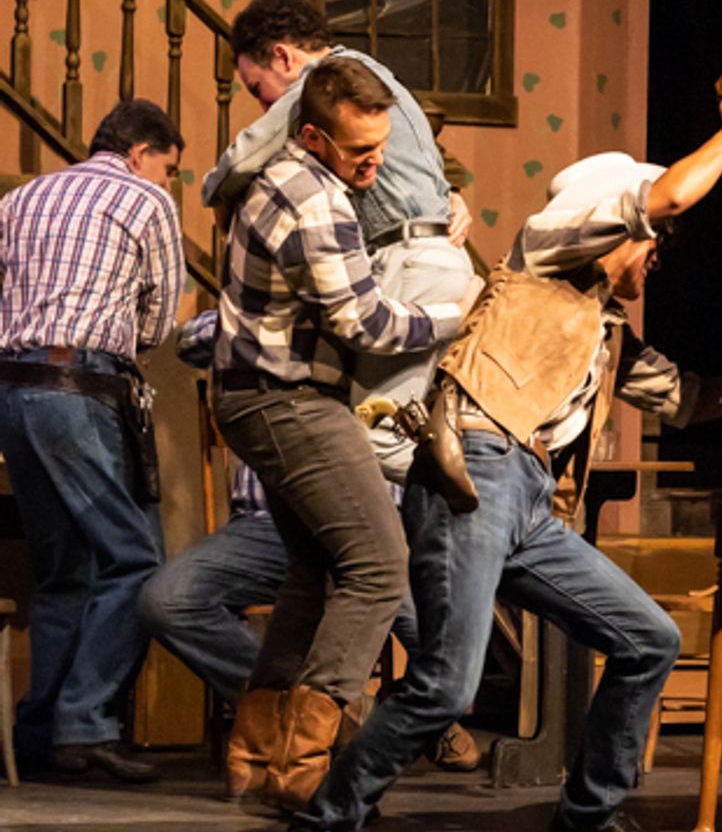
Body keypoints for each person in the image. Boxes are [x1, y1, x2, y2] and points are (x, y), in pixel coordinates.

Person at [292, 90, 722, 832]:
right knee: (444, 683)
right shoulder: (550, 243)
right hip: (477, 469)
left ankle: (588, 815)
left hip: (528, 501)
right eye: (653, 241)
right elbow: (668, 194)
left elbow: (690, 399)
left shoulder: (602, 323)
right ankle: (330, 814)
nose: (656, 256)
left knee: (648, 639)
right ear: (617, 219)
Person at [213, 56, 475, 811]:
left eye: (382, 147)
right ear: (314, 137)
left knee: (311, 571)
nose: (375, 163)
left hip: (262, 395)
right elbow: (366, 323)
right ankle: (307, 759)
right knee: (380, 565)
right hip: (287, 399)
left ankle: (256, 751)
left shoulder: (302, 182)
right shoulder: (315, 200)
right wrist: (459, 313)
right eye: (361, 151)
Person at [136, 311, 480, 777]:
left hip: (367, 529)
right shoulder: (304, 286)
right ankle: (309, 724)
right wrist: (277, 320)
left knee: (437, 636)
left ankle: (404, 722)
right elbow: (191, 342)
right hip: (266, 528)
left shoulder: (397, 297)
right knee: (167, 600)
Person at [206, 0, 480, 483]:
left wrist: (215, 191)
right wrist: (453, 199)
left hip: (409, 265)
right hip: (440, 259)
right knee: (410, 425)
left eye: (256, 86)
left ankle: (481, 502)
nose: (262, 102)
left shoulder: (326, 86)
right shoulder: (376, 76)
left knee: (367, 437)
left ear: (282, 57)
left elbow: (242, 158)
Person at [0, 98, 184, 782]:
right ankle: (85, 721)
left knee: (63, 572)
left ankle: (40, 734)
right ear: (142, 153)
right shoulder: (144, 199)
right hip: (80, 388)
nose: (167, 184)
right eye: (168, 170)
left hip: (12, 389)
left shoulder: (26, 196)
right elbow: (159, 317)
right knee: (136, 559)